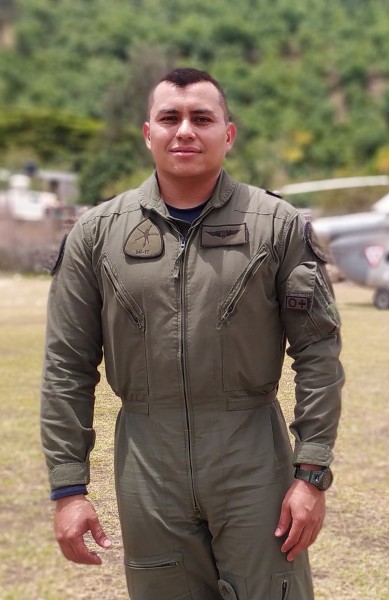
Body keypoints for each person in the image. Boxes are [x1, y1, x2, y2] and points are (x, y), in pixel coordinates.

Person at [40, 67, 345, 600]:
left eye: (202, 118)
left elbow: (318, 350)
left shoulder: (277, 225)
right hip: (147, 466)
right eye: (170, 117)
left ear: (227, 133)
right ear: (148, 132)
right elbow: (67, 366)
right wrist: (69, 489)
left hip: (253, 461)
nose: (185, 130)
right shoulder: (97, 234)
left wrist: (311, 471)